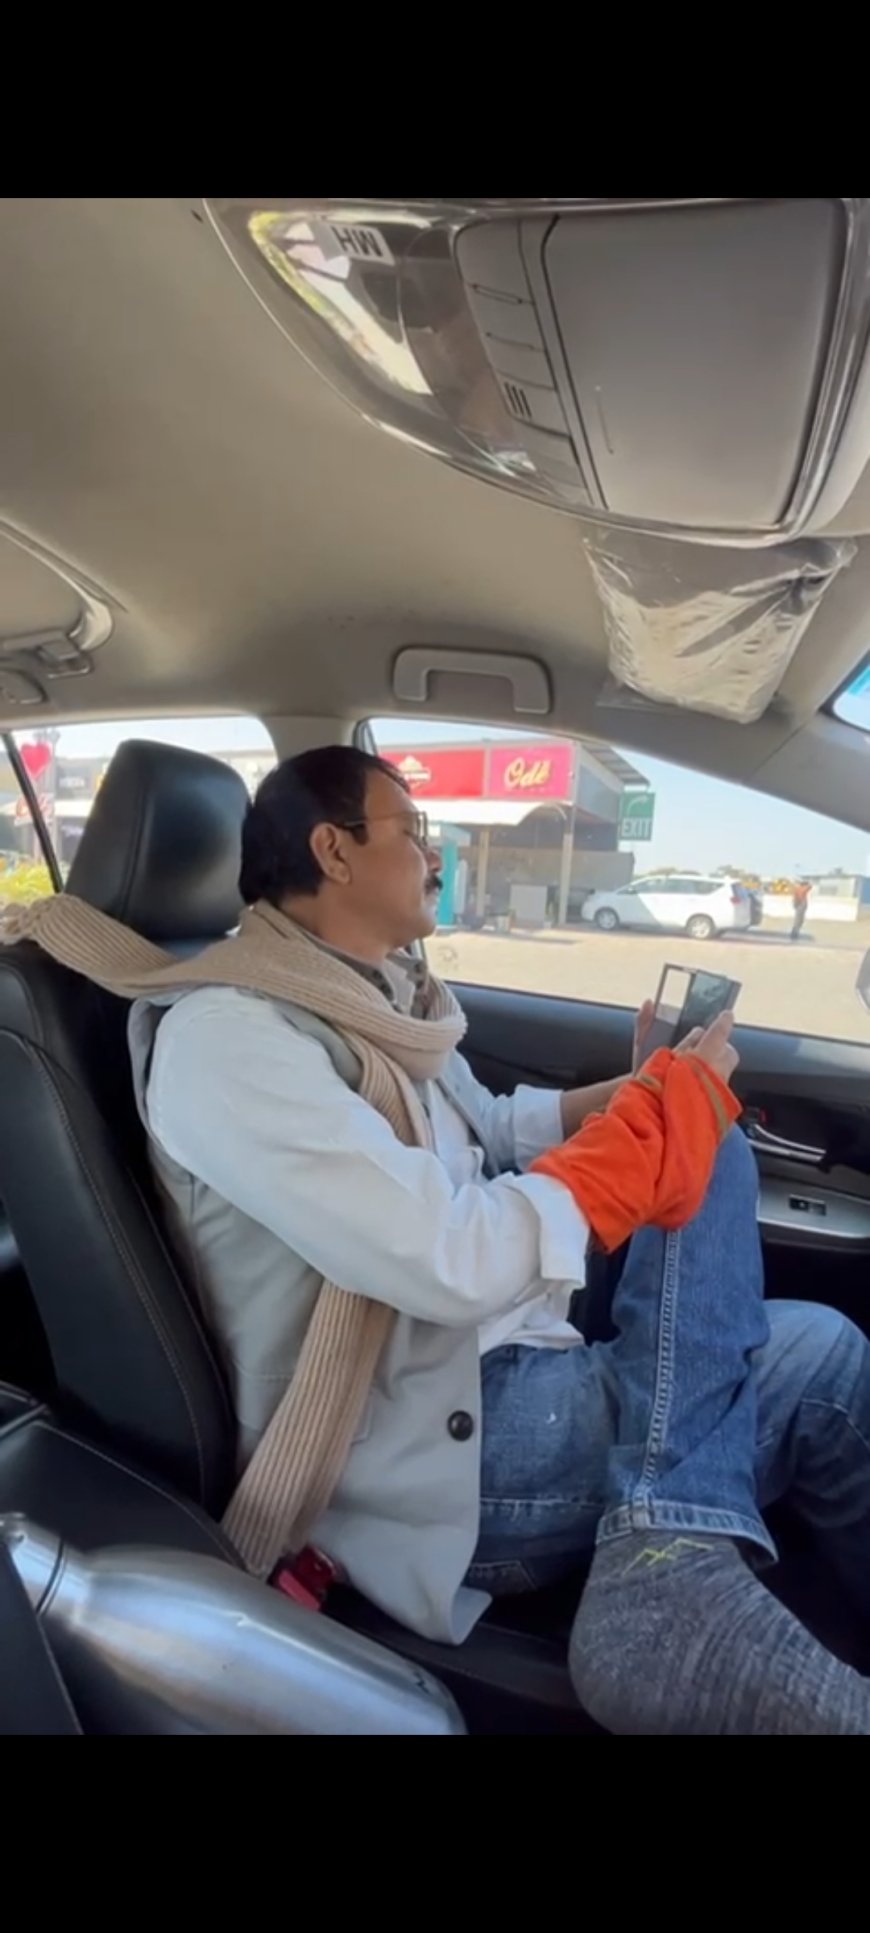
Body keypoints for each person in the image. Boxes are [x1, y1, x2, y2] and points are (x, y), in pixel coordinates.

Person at [6, 748, 869, 1731]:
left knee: (725, 1171)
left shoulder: (372, 999)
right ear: (334, 850)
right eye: (413, 830)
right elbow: (448, 1258)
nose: (435, 853)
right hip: (438, 1451)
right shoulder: (230, 1039)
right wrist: (645, 1137)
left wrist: (639, 1092)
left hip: (491, 1362)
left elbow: (486, 1129)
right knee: (806, 1333)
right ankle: (667, 1559)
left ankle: (668, 1532)